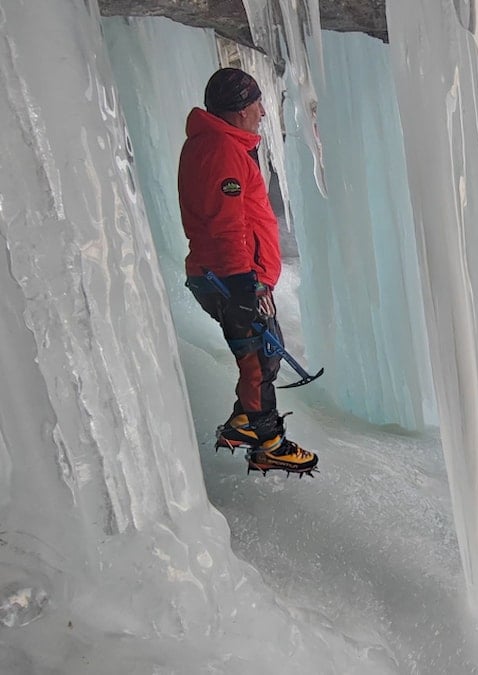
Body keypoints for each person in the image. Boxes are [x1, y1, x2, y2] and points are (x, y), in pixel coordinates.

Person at [178, 67, 315, 475]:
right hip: (231, 278)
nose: (262, 112)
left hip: (229, 276)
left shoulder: (219, 145)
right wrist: (243, 286)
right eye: (257, 103)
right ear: (239, 109)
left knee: (262, 354)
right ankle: (268, 442)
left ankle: (243, 422)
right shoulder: (221, 150)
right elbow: (227, 225)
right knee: (259, 359)